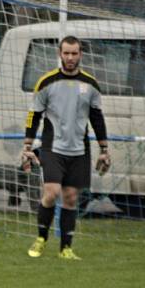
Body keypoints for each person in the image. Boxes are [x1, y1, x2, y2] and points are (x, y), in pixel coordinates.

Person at [21, 35, 111, 260]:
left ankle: (66, 249)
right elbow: (34, 115)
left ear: (80, 55)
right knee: (51, 193)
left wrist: (104, 149)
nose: (70, 57)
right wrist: (27, 145)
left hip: (80, 150)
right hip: (53, 147)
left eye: (74, 53)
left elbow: (97, 117)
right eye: (66, 53)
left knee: (71, 198)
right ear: (60, 54)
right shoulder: (46, 82)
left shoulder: (90, 84)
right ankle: (41, 239)